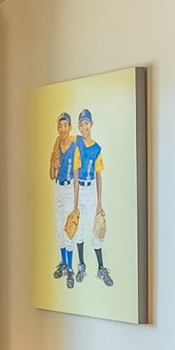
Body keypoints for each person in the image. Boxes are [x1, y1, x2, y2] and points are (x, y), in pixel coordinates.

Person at [74, 108, 113, 287]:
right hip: (77, 188)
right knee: (79, 228)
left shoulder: (96, 148)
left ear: (91, 124)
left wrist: (99, 202)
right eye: (81, 124)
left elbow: (98, 176)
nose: (84, 127)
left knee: (95, 230)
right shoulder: (76, 142)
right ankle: (81, 264)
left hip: (89, 190)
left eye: (86, 123)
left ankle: (101, 267)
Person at [49, 112, 81, 287]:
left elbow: (76, 178)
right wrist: (53, 163)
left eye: (65, 125)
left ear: (70, 127)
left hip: (69, 189)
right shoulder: (56, 148)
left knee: (70, 230)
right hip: (58, 188)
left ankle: (70, 268)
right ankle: (63, 264)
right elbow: (51, 175)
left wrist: (76, 204)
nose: (62, 129)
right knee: (60, 228)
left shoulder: (75, 147)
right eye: (60, 126)